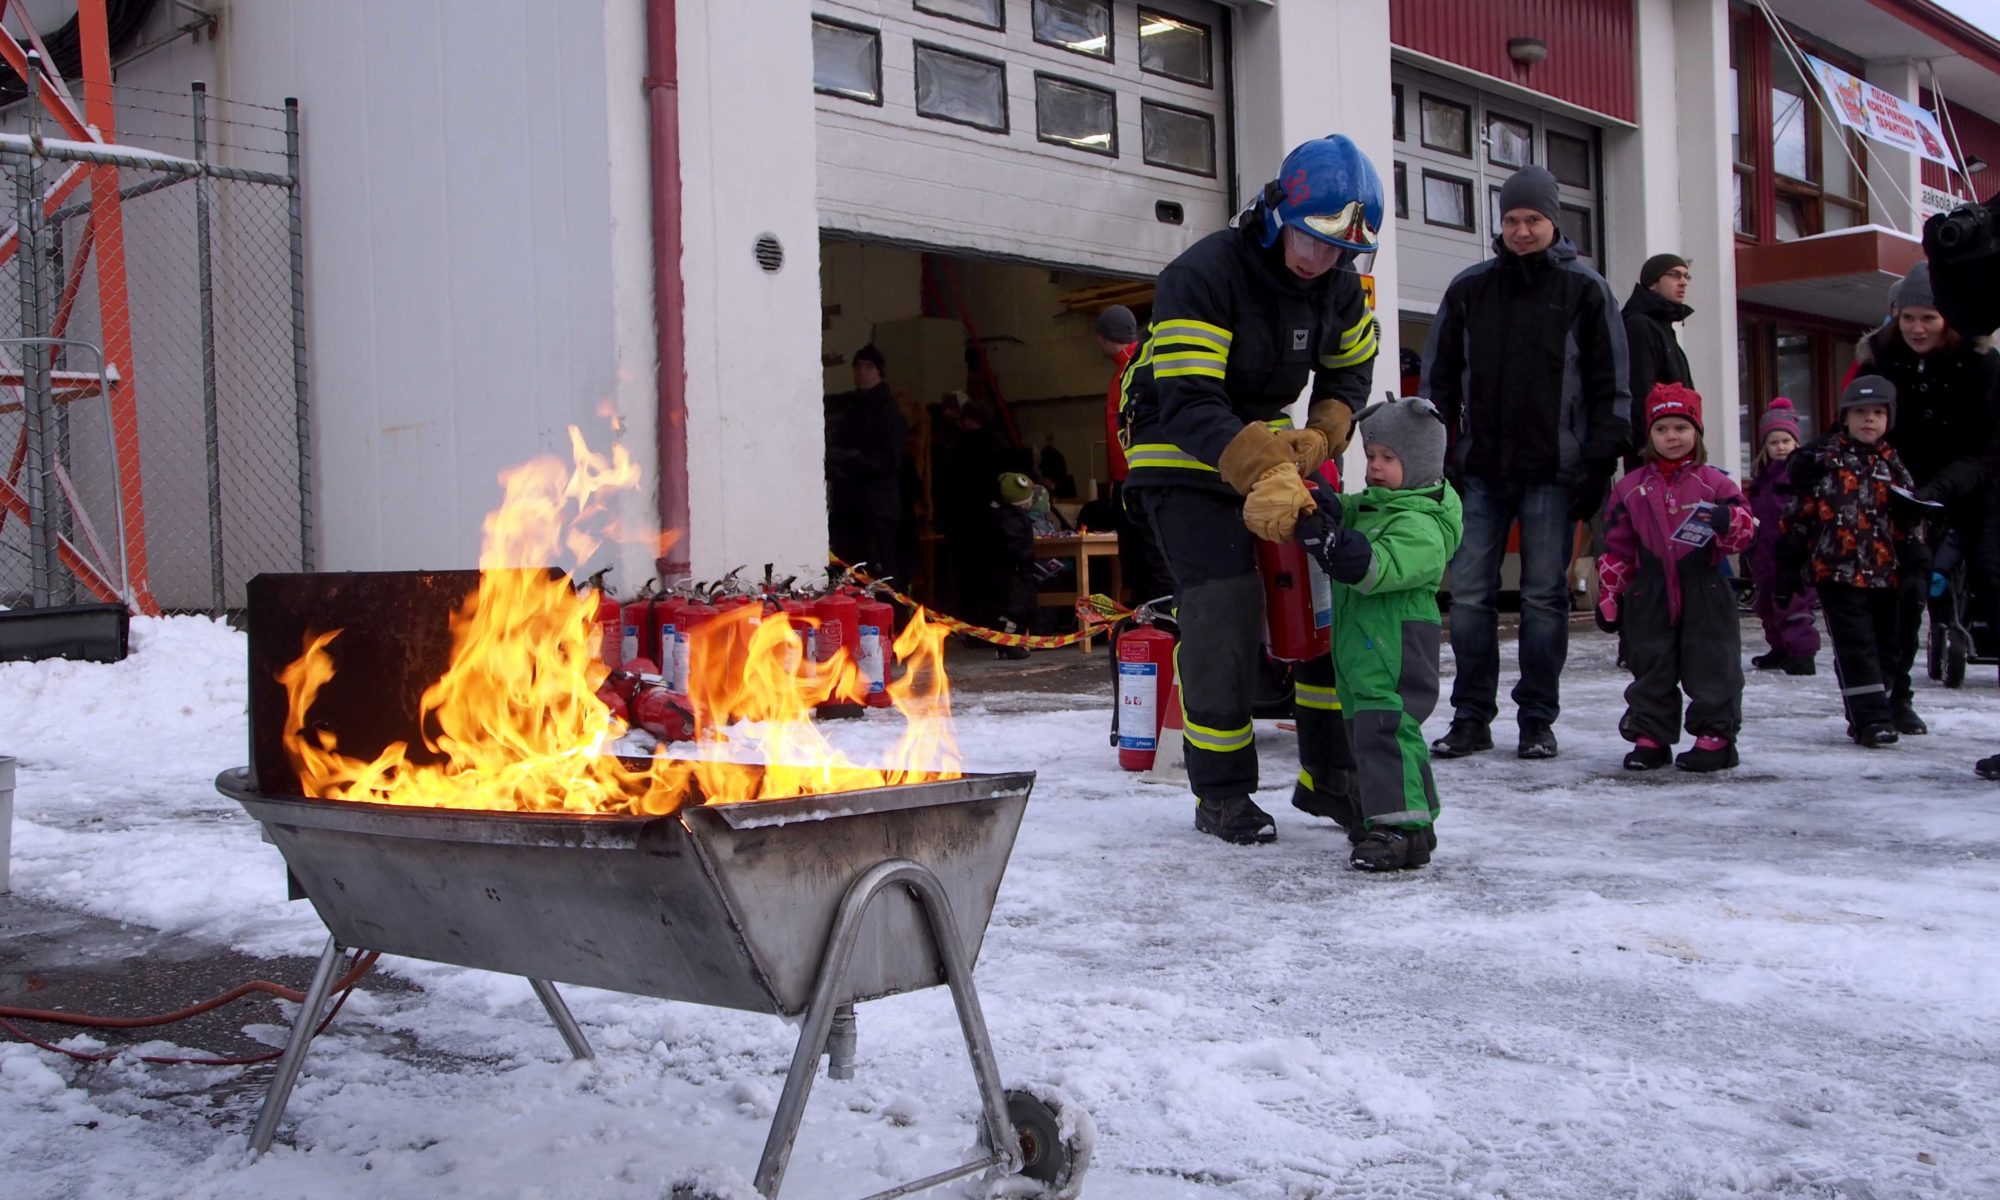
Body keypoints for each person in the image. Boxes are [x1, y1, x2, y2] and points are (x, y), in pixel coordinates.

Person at [1118, 133, 1381, 845]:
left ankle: (1331, 779)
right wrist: (1266, 467)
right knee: (1224, 611)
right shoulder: (1203, 274)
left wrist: (1321, 435)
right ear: (1278, 213)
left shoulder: (1337, 285)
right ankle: (1223, 792)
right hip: (1180, 453)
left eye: (1341, 251)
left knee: (1324, 609)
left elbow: (1350, 374)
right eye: (1313, 241)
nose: (1322, 260)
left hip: (1267, 454)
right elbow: (1191, 400)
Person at [1422, 164, 1631, 761]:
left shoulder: (1586, 291)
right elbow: (1438, 380)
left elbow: (1610, 384)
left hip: (1554, 472)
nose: (1520, 230)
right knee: (1467, 597)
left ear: (1553, 222)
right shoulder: (1469, 289)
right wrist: (1438, 454)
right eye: (1511, 220)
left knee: (1544, 597)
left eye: (1532, 220)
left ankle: (1537, 718)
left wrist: (1599, 464)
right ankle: (1470, 716)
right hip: (1479, 471)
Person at [1294, 397, 1463, 871]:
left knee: (1386, 731)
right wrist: (1326, 505)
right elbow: (1355, 511)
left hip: (1395, 643)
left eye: (1389, 459)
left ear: (1420, 464)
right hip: (1365, 644)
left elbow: (1379, 566)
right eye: (1371, 457)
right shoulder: (1382, 504)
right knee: (1374, 733)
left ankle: (1400, 833)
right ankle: (1414, 820)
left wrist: (1333, 544)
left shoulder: (1422, 524)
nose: (1375, 467)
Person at [1842, 262, 2000, 730]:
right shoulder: (1879, 359)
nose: (1916, 328)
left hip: (1975, 486)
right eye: (1908, 316)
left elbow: (1985, 450)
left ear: (1949, 318)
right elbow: (1855, 424)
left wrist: (1933, 491)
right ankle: (1896, 695)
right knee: (1902, 594)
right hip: (1903, 489)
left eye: (1928, 318)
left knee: (1992, 581)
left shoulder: (1983, 364)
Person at [1595, 383, 1756, 772]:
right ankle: (1650, 736)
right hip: (1649, 588)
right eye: (1662, 428)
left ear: (1696, 433)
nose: (1672, 437)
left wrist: (1725, 519)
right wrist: (1611, 596)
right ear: (1649, 435)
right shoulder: (1630, 488)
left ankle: (1714, 736)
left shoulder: (1715, 483)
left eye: (1681, 428)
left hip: (1704, 582)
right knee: (1652, 661)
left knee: (1712, 662)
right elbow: (1617, 546)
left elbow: (1747, 530)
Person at [1776, 376, 1929, 747]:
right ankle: (1870, 720)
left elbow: (1909, 517)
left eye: (1878, 413)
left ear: (1888, 420)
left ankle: (1878, 705)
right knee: (1855, 645)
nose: (1869, 420)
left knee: (1888, 645)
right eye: (1861, 412)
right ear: (1844, 417)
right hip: (1836, 570)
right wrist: (1788, 559)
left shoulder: (1893, 464)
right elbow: (1800, 512)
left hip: (1884, 573)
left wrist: (1913, 554)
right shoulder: (1823, 459)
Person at [1096, 305, 1172, 605]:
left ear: (1102, 338)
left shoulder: (1130, 371)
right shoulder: (1139, 363)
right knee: (1145, 559)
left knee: (1149, 559)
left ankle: (1160, 623)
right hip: (1139, 480)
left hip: (1138, 481)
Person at [1743, 397, 1819, 674]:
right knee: (1766, 602)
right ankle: (1779, 648)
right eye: (1774, 442)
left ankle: (1802, 652)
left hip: (1794, 550)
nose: (1780, 447)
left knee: (1794, 603)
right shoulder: (1761, 477)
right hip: (1764, 550)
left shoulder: (1800, 473)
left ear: (1796, 443)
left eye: (1785, 441)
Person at [824, 344, 907, 575]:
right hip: (847, 505)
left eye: (869, 367)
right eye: (858, 367)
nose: (862, 372)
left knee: (875, 573)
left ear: (879, 371)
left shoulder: (888, 412)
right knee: (846, 570)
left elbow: (887, 459)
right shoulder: (849, 405)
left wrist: (846, 460)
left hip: (875, 507)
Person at [1620, 254, 1694, 470]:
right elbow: (1641, 390)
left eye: (1686, 276)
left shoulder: (1662, 325)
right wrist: (1649, 445)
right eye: (1675, 275)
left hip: (1674, 448)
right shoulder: (1640, 325)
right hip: (1654, 452)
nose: (1683, 282)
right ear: (1652, 282)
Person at [988, 471, 1040, 661]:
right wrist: (1028, 554)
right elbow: (1015, 545)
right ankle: (1010, 646)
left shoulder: (1006, 517)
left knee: (1019, 609)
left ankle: (1007, 645)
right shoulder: (1011, 519)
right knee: (1015, 611)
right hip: (1014, 574)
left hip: (1015, 573)